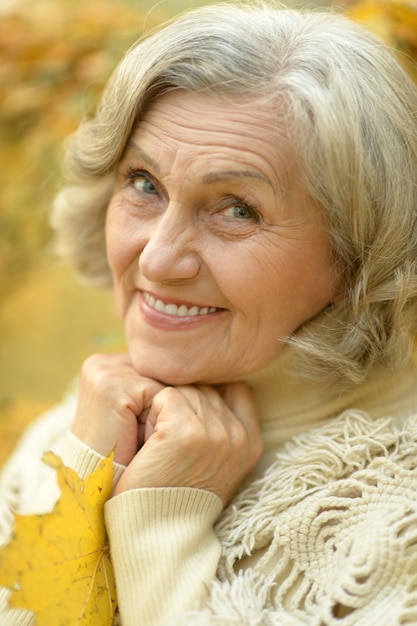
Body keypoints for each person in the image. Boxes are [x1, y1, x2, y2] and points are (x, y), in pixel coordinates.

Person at [1, 2, 417, 624]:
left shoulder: (396, 521)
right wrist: (81, 478)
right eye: (144, 183)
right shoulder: (72, 428)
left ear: (360, 257)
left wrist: (157, 528)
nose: (159, 259)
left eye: (237, 209)